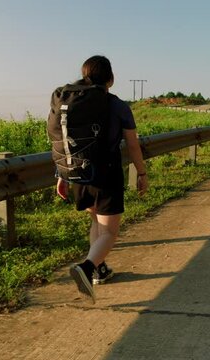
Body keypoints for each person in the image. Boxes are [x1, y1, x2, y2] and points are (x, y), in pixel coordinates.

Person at [56, 55, 148, 303]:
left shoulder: (74, 103)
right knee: (109, 232)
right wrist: (141, 172)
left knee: (96, 222)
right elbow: (133, 146)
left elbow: (64, 141)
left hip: (80, 175)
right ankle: (85, 268)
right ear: (111, 78)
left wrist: (61, 175)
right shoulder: (117, 105)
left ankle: (99, 270)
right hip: (107, 174)